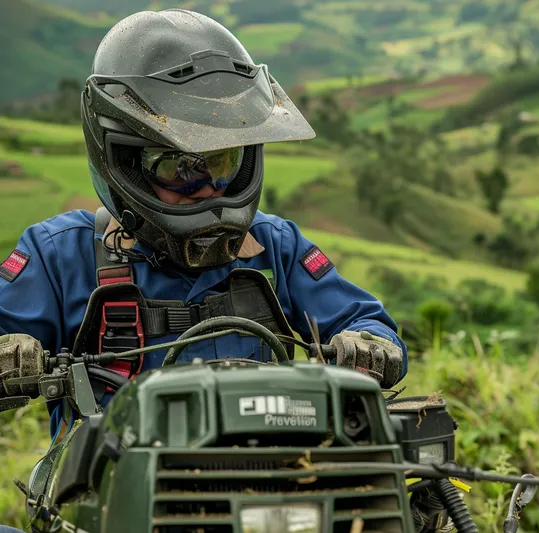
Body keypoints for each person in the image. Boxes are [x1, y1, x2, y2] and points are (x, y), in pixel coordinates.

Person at [0, 11, 406, 528]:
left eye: (223, 162)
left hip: (278, 498)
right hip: (119, 507)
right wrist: (11, 360)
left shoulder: (276, 246)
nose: (211, 187)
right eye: (180, 168)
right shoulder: (59, 255)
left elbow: (369, 323)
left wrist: (369, 346)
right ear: (120, 161)